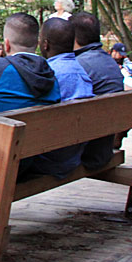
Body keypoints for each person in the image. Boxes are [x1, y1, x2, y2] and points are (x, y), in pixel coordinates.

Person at [33, 17, 94, 178]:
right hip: (73, 155)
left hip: (50, 158)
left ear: (45, 44)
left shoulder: (48, 74)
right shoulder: (81, 72)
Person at [71, 13, 126, 168]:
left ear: (73, 38)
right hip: (104, 147)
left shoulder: (77, 66)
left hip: (85, 153)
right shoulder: (110, 62)